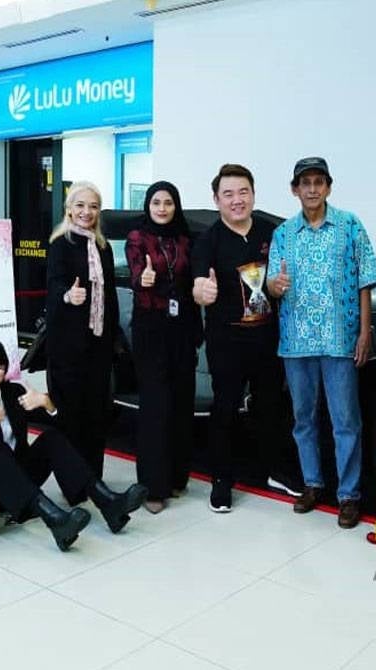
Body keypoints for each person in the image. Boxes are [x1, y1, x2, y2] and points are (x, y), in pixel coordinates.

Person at [0, 337, 147, 549]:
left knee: (51, 438)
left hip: (17, 478)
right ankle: (55, 520)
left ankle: (109, 503)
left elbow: (64, 428)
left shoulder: (14, 394)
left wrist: (47, 404)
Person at [266, 157, 376, 529]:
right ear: (294, 189)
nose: (312, 189)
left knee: (346, 420)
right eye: (305, 183)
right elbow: (267, 284)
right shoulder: (283, 234)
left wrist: (364, 333)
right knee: (304, 419)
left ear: (329, 187)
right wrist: (274, 287)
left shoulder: (349, 226)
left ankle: (348, 495)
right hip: (296, 341)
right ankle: (312, 484)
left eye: (319, 182)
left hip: (339, 341)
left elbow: (366, 280)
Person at [191, 163, 301, 513]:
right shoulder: (208, 241)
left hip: (267, 338)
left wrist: (279, 287)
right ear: (216, 199)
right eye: (228, 194)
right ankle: (221, 481)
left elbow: (282, 276)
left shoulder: (273, 232)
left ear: (253, 194)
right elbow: (197, 284)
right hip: (227, 341)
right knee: (225, 410)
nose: (237, 200)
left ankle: (275, 471)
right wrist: (202, 291)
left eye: (243, 192)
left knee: (271, 407)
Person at [124, 181, 200, 513]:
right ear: (148, 206)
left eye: (169, 202)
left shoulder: (186, 238)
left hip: (182, 327)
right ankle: (153, 487)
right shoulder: (138, 238)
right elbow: (136, 272)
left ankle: (176, 477)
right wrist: (144, 279)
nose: (162, 208)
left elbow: (192, 281)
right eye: (156, 202)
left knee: (182, 402)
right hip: (151, 328)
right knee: (156, 405)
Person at [45, 181, 119, 481]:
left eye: (93, 206)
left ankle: (93, 478)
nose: (86, 212)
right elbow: (53, 287)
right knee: (71, 415)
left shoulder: (103, 247)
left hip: (98, 346)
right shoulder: (60, 244)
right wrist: (68, 295)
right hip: (68, 347)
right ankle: (73, 481)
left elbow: (111, 295)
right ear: (69, 209)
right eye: (80, 205)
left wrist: (114, 340)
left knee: (96, 414)